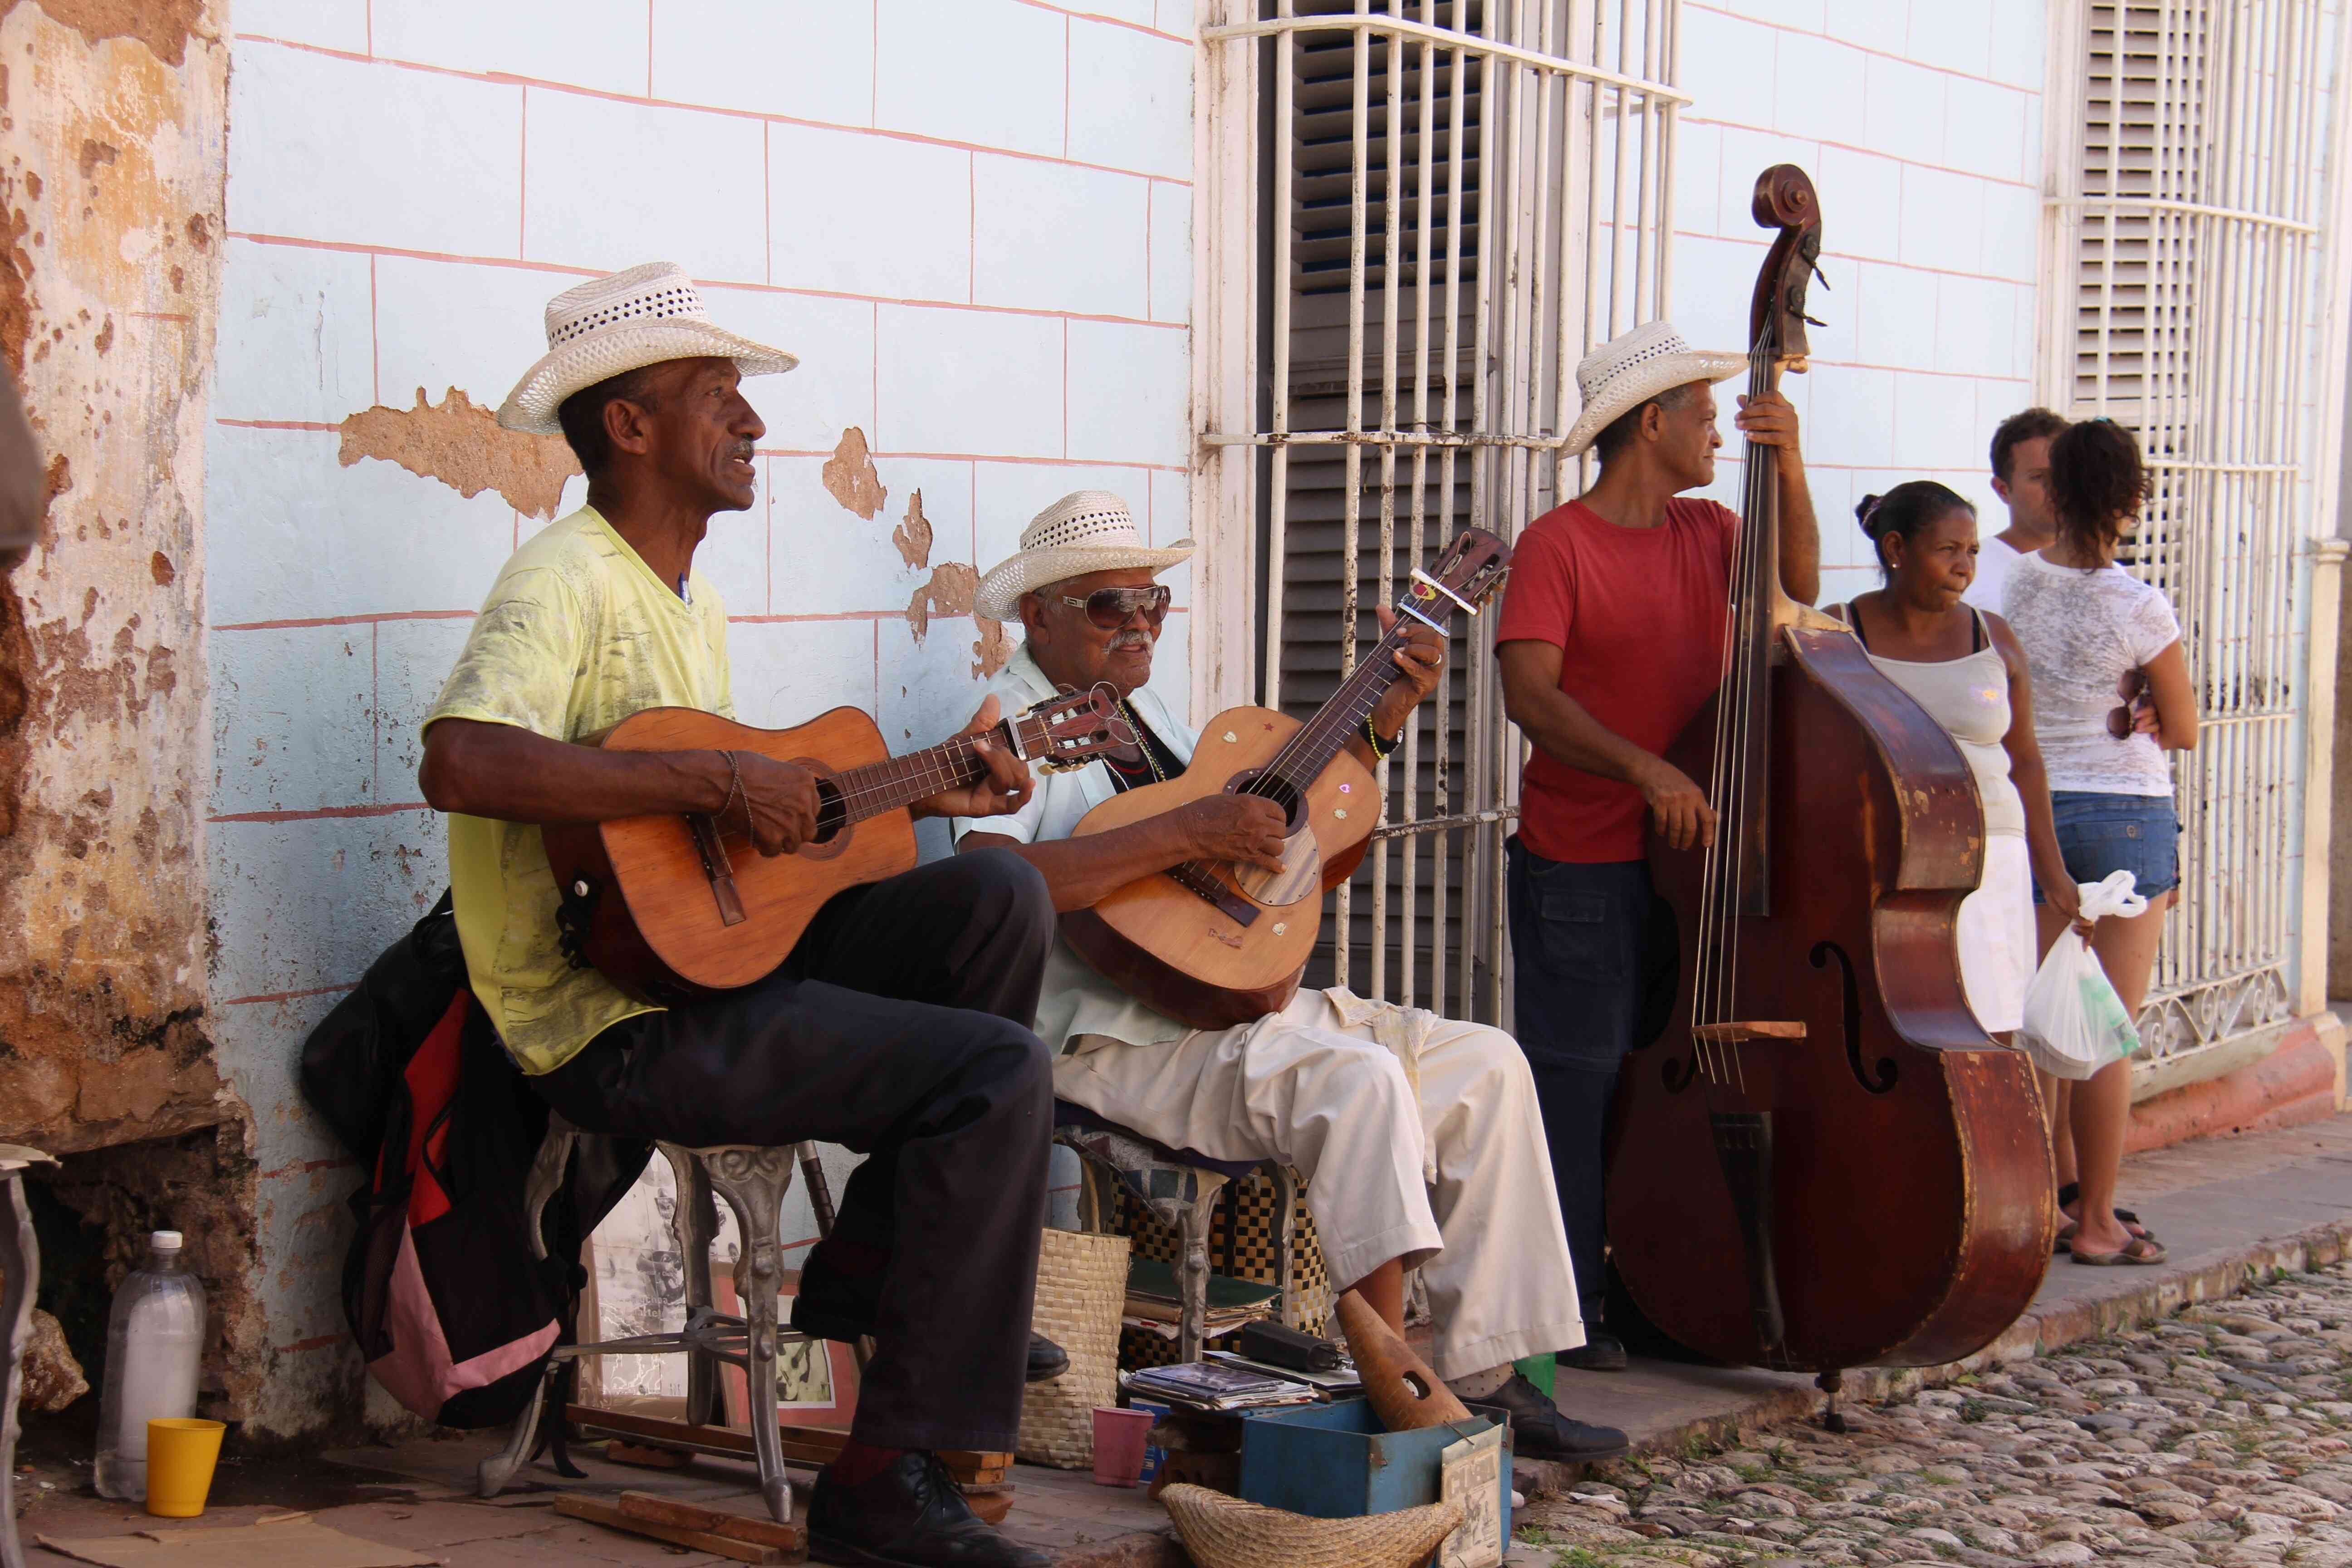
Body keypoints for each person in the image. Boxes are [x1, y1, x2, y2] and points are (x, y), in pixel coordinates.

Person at [417, 262, 1060, 1568]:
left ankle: (874, 1264)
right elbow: (462, 762)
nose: (754, 423)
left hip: (706, 971)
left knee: (999, 892)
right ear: (630, 427)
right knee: (1000, 1074)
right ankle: (883, 1479)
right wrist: (716, 777)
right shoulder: (563, 583)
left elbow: (711, 862)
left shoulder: (687, 602)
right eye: (718, 397)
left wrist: (943, 778)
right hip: (614, 1021)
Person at [952, 491, 1626, 1462]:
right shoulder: (1013, 721)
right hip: (1109, 1036)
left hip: (1220, 1002)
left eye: (1155, 602)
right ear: (1039, 616)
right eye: (1111, 607)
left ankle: (1493, 1376)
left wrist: (1381, 723)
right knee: (1359, 1084)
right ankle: (1389, 1384)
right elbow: (987, 879)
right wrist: (1185, 830)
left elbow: (1247, 855)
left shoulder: (1149, 713)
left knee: (1486, 1063)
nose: (1140, 623)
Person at [1492, 321, 1817, 1373]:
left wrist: (1790, 458)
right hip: (1580, 860)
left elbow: (1797, 584)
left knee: (1663, 1081)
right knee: (1576, 1084)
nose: (1719, 429)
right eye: (1707, 413)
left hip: (1698, 868)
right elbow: (1528, 694)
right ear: (1652, 421)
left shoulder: (1711, 527)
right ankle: (1563, 1307)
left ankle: (1652, 1285)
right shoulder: (1559, 544)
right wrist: (1646, 767)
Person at [2004, 417, 2197, 1268]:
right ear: (2125, 499)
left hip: (2030, 810)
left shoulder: (2006, 590)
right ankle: (2096, 1223)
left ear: (2053, 491)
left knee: (2042, 1018)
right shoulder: (2137, 603)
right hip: (2123, 810)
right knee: (2104, 1029)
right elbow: (2182, 727)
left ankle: (2042, 1202)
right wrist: (2152, 706)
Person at [1832, 482, 2086, 1037]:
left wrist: (2055, 872)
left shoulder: (1993, 637)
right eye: (1948, 550)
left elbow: (2026, 763)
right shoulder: (1839, 632)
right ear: (1896, 549)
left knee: (1989, 1023)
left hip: (1991, 853)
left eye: (1971, 551)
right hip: (1884, 856)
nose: (1964, 566)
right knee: (1897, 1023)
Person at [1964, 407, 2069, 615]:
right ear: (2003, 490)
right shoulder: (1968, 574)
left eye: (2067, 474)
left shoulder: (2101, 571)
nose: (2058, 487)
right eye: (2039, 477)